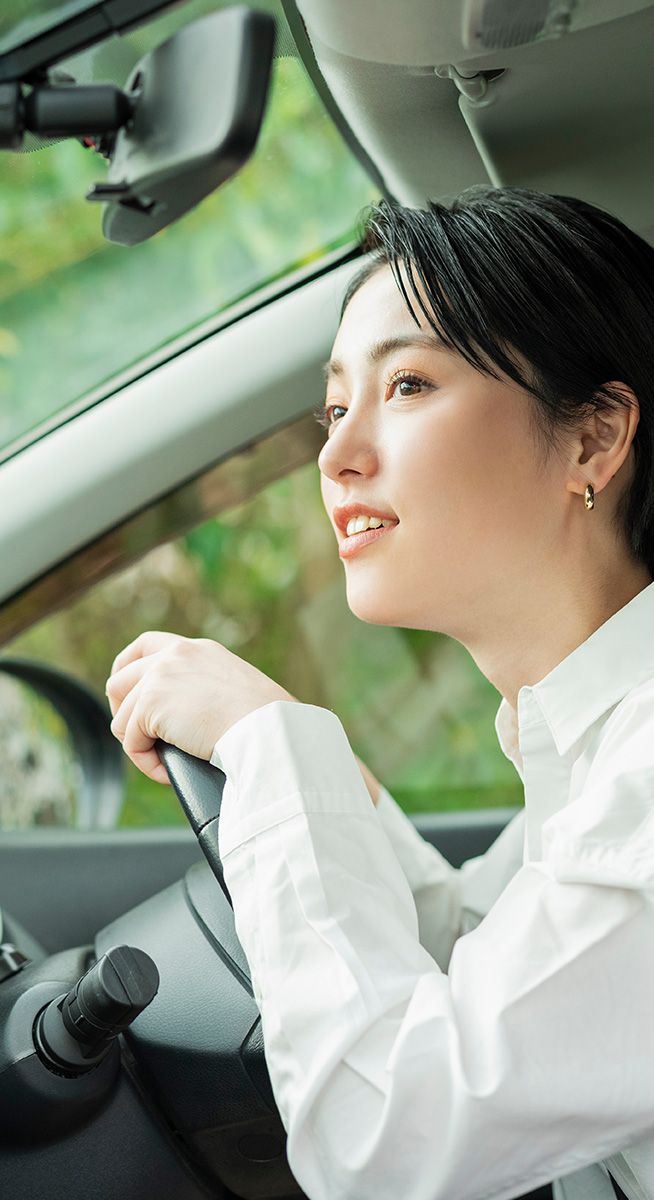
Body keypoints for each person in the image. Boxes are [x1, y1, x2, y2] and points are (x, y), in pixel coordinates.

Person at [104, 186, 654, 1200]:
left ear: (591, 439)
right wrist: (319, 781)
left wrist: (275, 754)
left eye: (406, 385)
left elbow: (385, 1144)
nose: (336, 454)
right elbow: (479, 956)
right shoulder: (598, 752)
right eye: (333, 406)